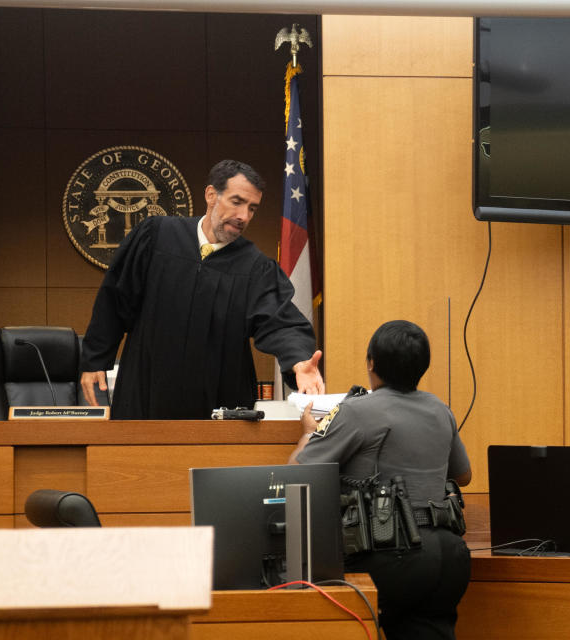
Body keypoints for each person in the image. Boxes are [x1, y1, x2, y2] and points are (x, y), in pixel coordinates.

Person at [80, 159, 324, 419]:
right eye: (237, 202)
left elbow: (281, 321)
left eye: (252, 208)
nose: (244, 216)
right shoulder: (157, 237)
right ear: (211, 195)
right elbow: (115, 297)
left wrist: (298, 360)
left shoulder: (256, 268)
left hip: (219, 403)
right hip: (146, 393)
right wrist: (95, 358)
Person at [289, 320, 471, 640]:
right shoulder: (441, 409)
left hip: (394, 556)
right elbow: (464, 475)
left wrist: (308, 433)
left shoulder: (355, 411)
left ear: (372, 362)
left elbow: (300, 471)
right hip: (450, 554)